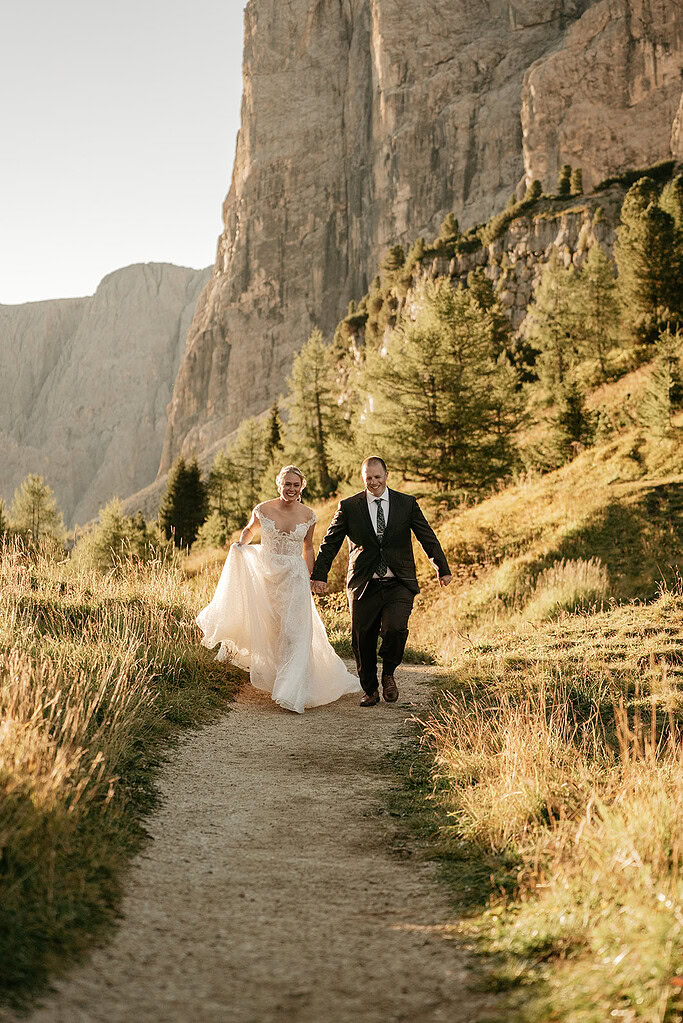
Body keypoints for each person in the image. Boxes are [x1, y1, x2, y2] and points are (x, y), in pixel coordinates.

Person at [196, 465, 361, 714]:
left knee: (295, 630)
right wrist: (241, 544)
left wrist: (312, 576)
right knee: (271, 627)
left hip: (294, 577)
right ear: (279, 485)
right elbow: (250, 530)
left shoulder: (309, 515)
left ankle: (291, 689)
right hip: (266, 574)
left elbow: (307, 547)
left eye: (296, 485)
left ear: (301, 487)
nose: (291, 489)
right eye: (287, 484)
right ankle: (275, 676)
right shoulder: (263, 509)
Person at [310, 457, 452, 707]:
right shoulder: (349, 506)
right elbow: (329, 543)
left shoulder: (406, 504)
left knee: (395, 629)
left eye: (378, 477)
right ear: (363, 478)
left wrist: (441, 567)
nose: (374, 482)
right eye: (369, 478)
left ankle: (388, 673)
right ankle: (370, 689)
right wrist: (320, 575)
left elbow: (426, 536)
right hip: (364, 582)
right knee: (362, 638)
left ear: (387, 474)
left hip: (399, 581)